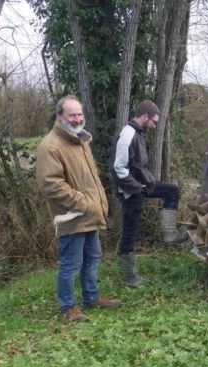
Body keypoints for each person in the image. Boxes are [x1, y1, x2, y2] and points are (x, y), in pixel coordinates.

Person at [36, 95, 121, 322]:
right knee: (71, 263)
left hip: (89, 214)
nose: (77, 118)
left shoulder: (80, 140)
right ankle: (68, 307)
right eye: (72, 114)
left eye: (80, 114)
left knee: (92, 257)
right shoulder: (50, 146)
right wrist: (82, 203)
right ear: (59, 116)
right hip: (71, 216)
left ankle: (92, 298)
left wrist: (93, 206)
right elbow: (51, 185)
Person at [109, 100, 189, 287]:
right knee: (130, 233)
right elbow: (118, 168)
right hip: (131, 191)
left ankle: (170, 235)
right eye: (154, 121)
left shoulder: (138, 133)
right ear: (145, 116)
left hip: (143, 186)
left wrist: (143, 185)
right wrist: (136, 187)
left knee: (172, 191)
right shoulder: (128, 135)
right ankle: (130, 277)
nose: (154, 126)